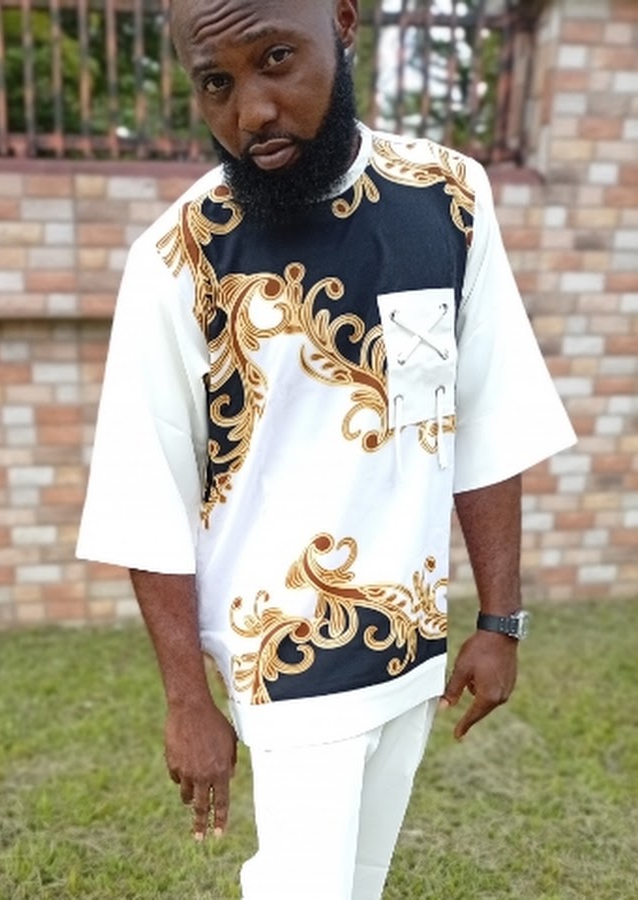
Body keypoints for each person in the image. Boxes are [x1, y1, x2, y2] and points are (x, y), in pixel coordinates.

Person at [77, 0, 576, 897]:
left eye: (276, 59)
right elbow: (143, 490)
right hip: (286, 666)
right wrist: (188, 700)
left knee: (362, 882)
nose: (253, 112)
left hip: (413, 647)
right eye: (216, 84)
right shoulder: (179, 258)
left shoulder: (449, 198)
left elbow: (483, 413)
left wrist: (500, 622)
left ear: (343, 22)